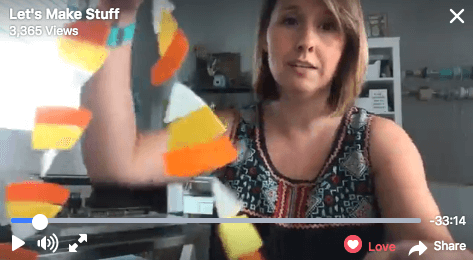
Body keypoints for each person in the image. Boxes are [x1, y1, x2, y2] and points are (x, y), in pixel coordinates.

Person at [81, 0, 473, 259]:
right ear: (265, 38)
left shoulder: (380, 143)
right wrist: (115, 16)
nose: (305, 42)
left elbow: (436, 244)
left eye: (327, 26)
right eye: (290, 20)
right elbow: (118, 165)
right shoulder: (225, 130)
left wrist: (402, 252)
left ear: (348, 48)